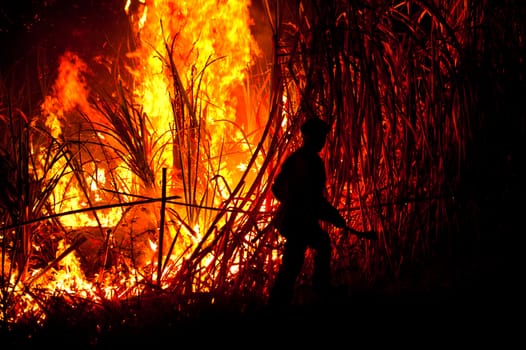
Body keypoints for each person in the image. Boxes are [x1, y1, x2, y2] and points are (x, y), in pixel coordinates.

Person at [268, 116, 346, 306]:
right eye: (321, 137)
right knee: (296, 259)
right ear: (314, 138)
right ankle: (281, 302)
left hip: (293, 218)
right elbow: (314, 199)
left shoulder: (295, 158)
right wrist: (332, 215)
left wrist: (289, 202)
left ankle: (308, 291)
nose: (323, 141)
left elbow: (277, 187)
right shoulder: (313, 163)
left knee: (315, 247)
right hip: (298, 221)